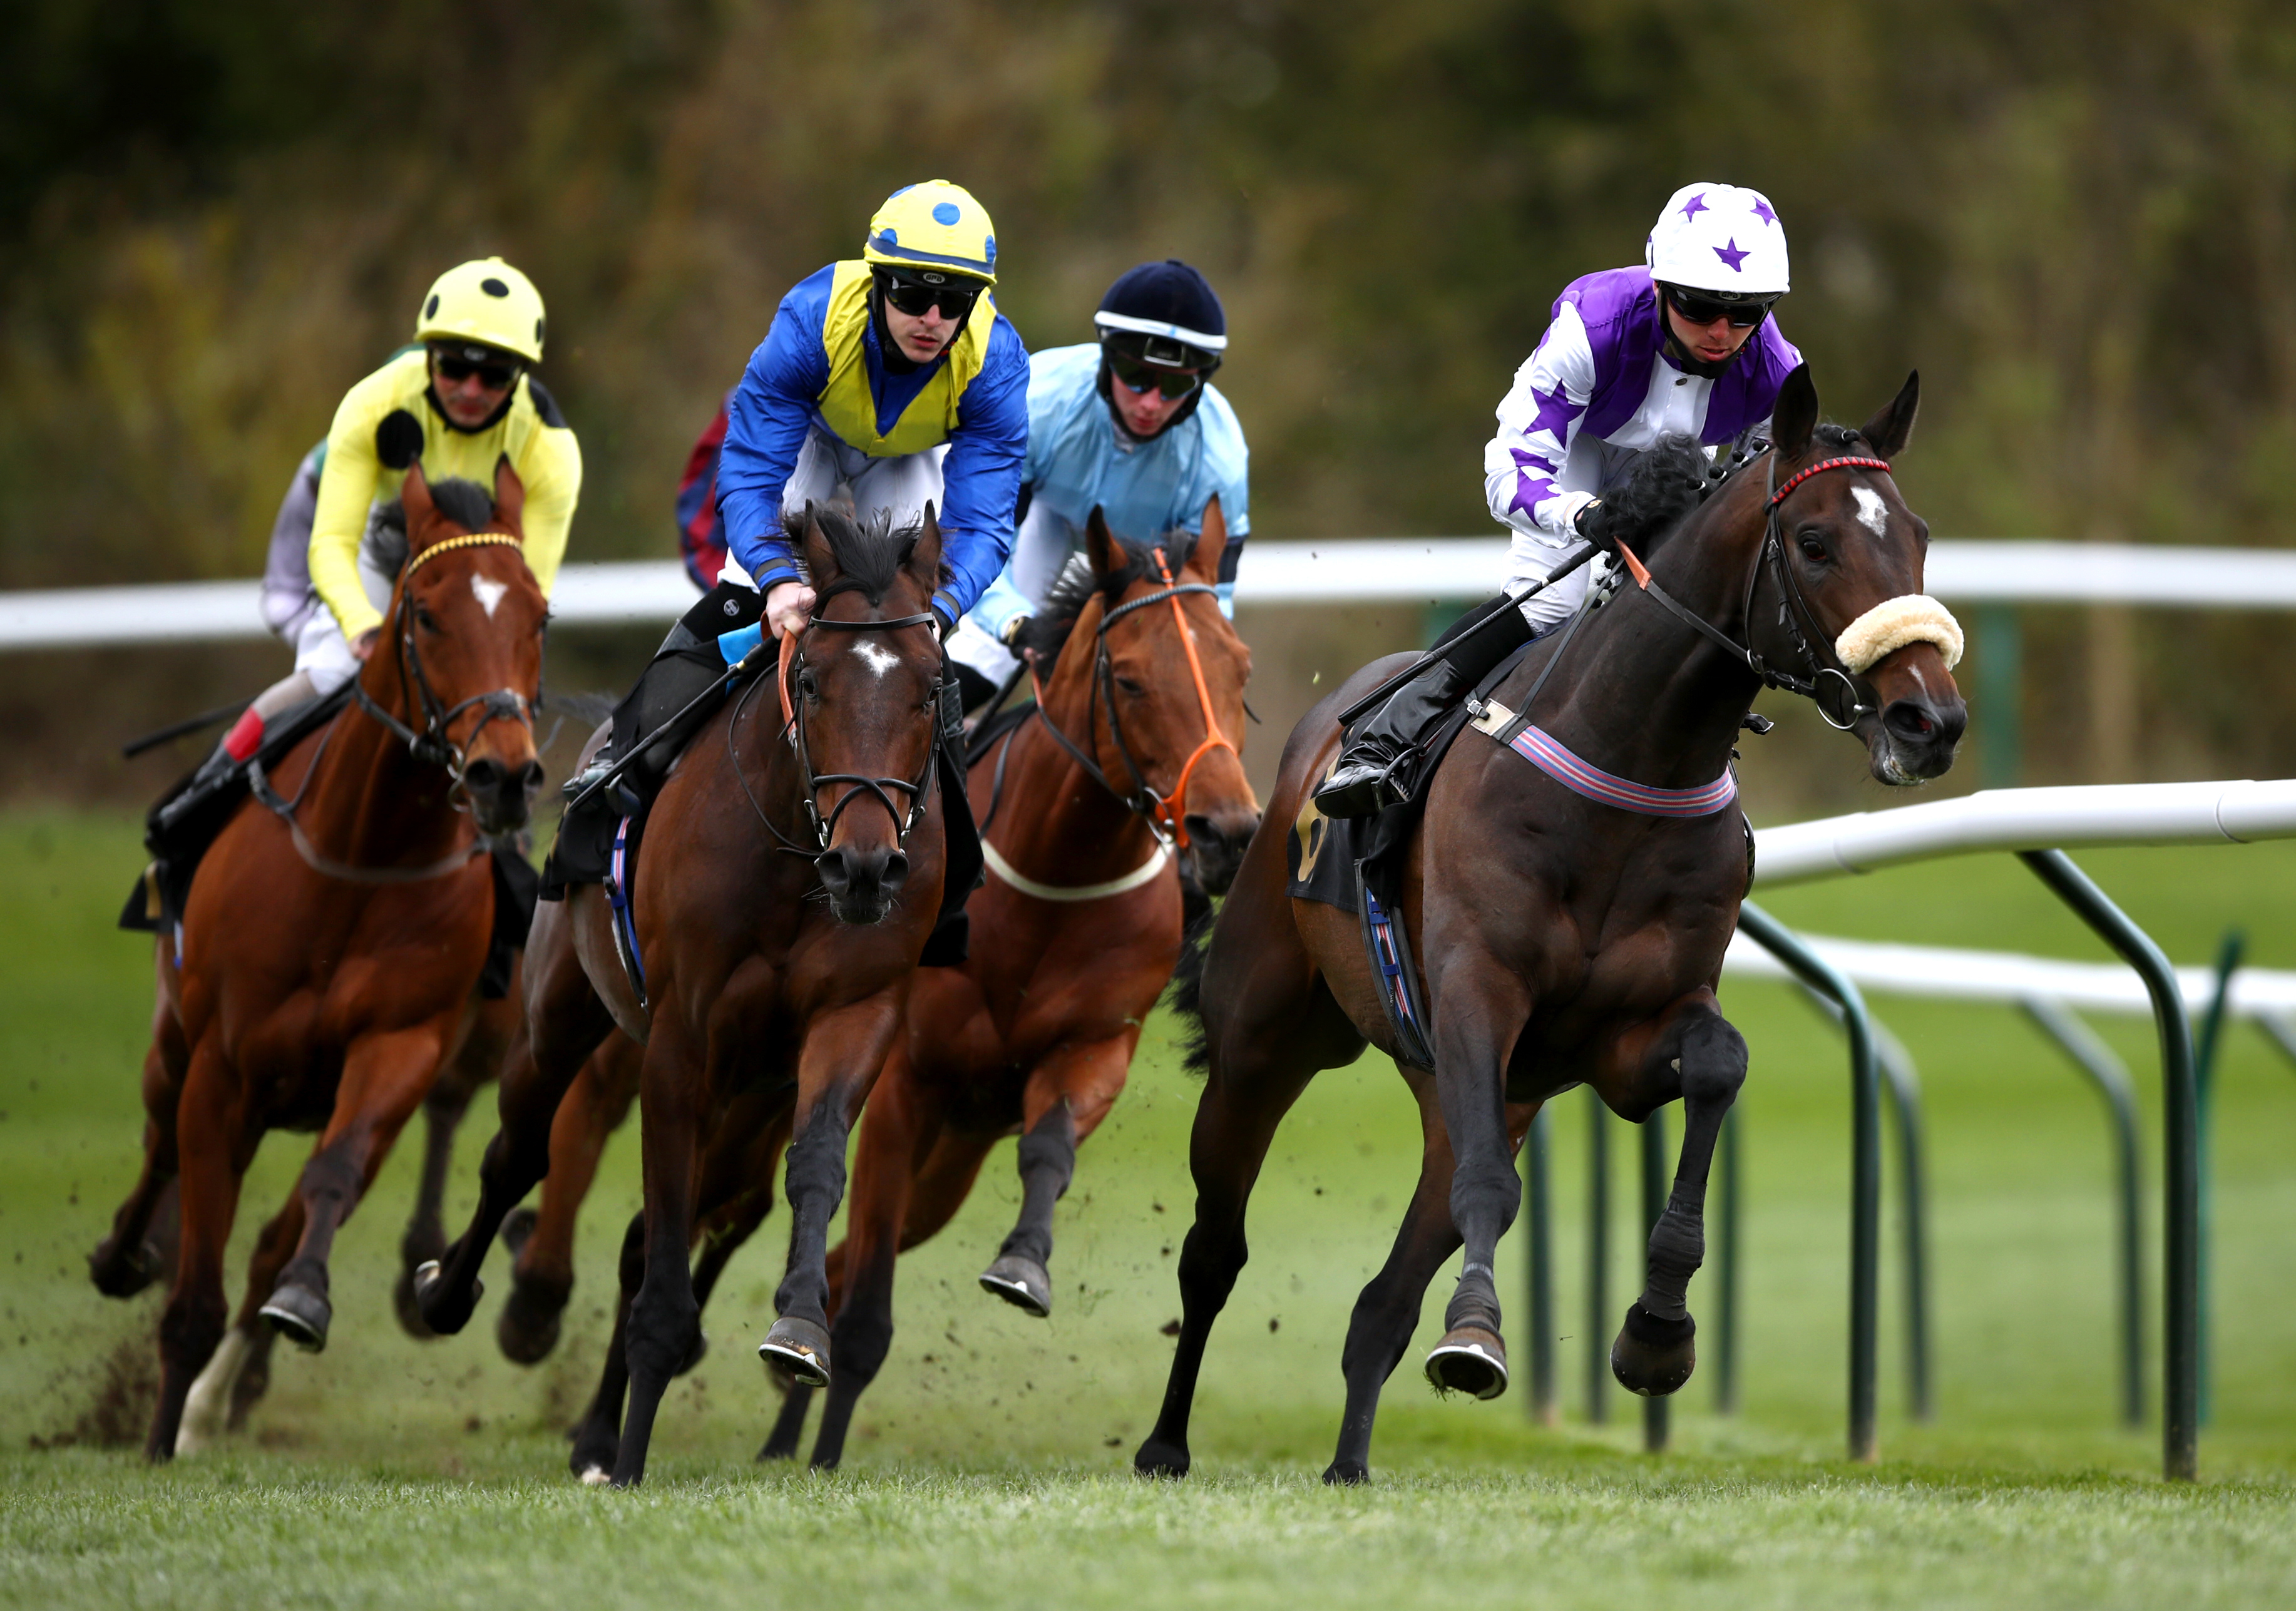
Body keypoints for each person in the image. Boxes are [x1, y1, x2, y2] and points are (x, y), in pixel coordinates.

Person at [551, 179, 1028, 884]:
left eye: (953, 301)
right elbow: (745, 478)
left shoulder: (993, 359)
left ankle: (953, 870)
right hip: (807, 437)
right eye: (912, 294)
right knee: (741, 594)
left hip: (907, 461)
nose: (931, 317)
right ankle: (616, 765)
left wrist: (940, 609)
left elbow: (984, 522)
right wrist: (776, 582)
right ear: (876, 281)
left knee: (917, 650)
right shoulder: (812, 320)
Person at [1313, 182, 1803, 817]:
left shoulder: (1775, 371)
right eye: (1699, 306)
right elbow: (1508, 471)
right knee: (1552, 602)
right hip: (1577, 450)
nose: (1720, 332)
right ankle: (1386, 735)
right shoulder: (1590, 327)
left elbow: (1763, 499)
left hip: (1682, 463)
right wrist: (1583, 516)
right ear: (1658, 287)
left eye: (1744, 314)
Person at [154, 258, 582, 839]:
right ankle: (198, 807)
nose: (472, 390)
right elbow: (330, 541)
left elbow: (530, 588)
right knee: (333, 673)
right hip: (376, 546)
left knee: (499, 702)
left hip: (474, 574)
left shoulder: (552, 448)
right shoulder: (373, 400)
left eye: (496, 377)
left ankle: (515, 878)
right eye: (455, 368)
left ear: (521, 378)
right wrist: (361, 625)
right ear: (427, 355)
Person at [943, 258, 1248, 707]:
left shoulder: (1219, 455)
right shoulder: (1039, 400)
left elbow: (1212, 598)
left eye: (1175, 385)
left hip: (1148, 552)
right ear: (1107, 358)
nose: (1151, 402)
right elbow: (978, 538)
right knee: (990, 656)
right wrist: (1013, 622)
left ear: (1201, 382)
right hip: (1044, 516)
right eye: (1137, 377)